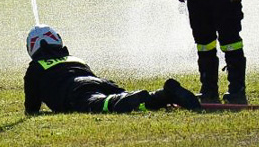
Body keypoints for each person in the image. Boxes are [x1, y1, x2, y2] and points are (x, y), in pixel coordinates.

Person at [23, 24, 201, 114]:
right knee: (138, 102)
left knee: (100, 104)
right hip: (100, 83)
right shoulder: (74, 58)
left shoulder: (36, 68)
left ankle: (123, 100)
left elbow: (32, 107)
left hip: (76, 91)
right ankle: (164, 94)